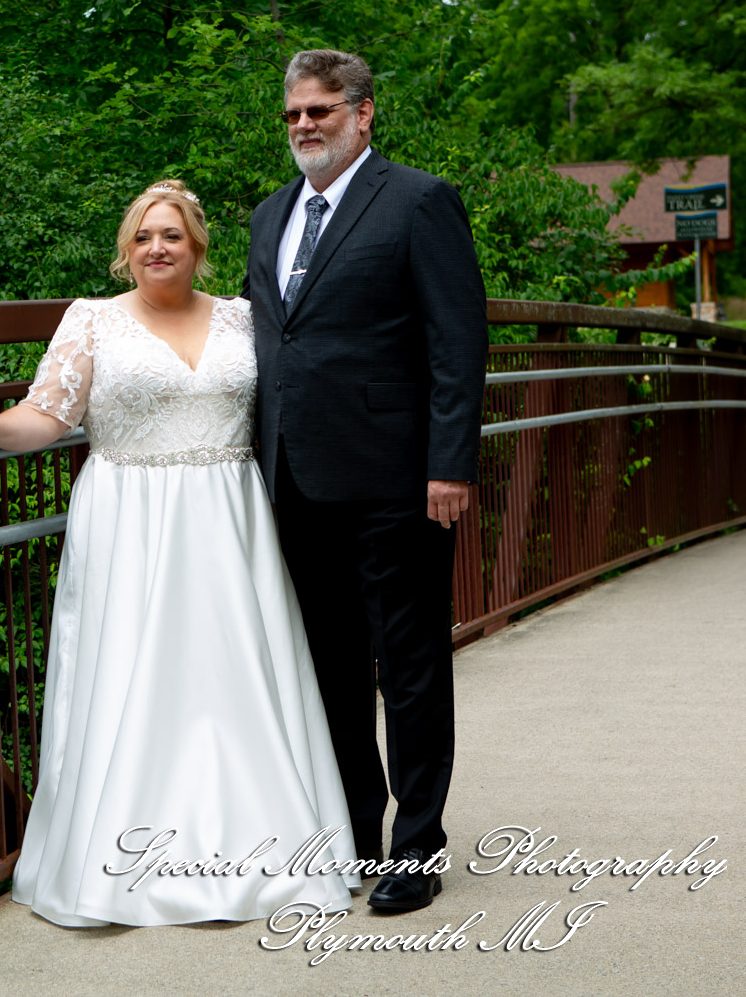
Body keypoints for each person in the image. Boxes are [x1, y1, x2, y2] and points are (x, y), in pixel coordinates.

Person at [0, 181, 361, 927]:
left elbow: (301, 391)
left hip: (232, 520)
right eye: (142, 237)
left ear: (197, 247)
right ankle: (124, 861)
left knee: (238, 681)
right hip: (130, 521)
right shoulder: (92, 321)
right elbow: (49, 413)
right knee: (136, 676)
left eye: (170, 235)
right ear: (126, 252)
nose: (156, 248)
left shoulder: (244, 317)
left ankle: (264, 849)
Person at [243, 49, 487, 914]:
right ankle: (355, 831)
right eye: (294, 114)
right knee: (333, 670)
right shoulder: (270, 215)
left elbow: (457, 343)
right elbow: (268, 344)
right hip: (295, 481)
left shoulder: (419, 201)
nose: (305, 125)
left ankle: (417, 849)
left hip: (397, 480)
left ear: (364, 113)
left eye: (321, 110)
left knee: (411, 665)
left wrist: (450, 463)